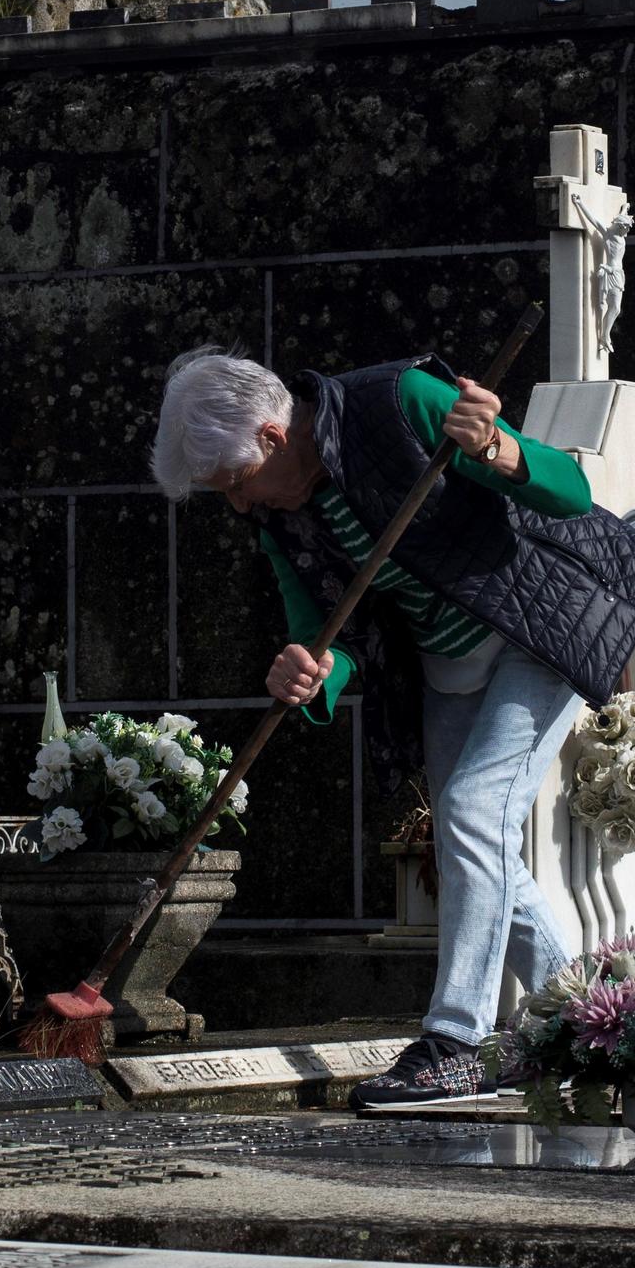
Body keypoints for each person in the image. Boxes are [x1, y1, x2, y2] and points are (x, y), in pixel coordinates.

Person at [152, 346, 595, 1109]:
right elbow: (327, 636)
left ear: (270, 436)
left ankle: (457, 1041)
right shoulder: (282, 520)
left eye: (235, 483)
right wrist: (313, 672)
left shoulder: (401, 402)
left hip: (535, 632)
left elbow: (573, 492)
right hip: (446, 665)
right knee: (475, 843)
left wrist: (495, 447)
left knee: (471, 814)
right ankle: (583, 1024)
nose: (239, 506)